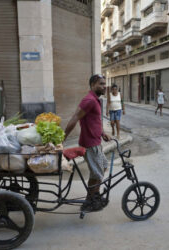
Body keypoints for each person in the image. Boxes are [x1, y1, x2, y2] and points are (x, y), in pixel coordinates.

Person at [64, 74, 111, 212]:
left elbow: (94, 121)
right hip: (90, 144)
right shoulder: (89, 100)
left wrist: (102, 133)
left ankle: (94, 195)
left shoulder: (95, 100)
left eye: (104, 83)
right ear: (92, 85)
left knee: (102, 167)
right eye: (101, 84)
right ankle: (90, 201)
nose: (104, 86)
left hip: (96, 141)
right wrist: (63, 138)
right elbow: (75, 118)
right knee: (97, 173)